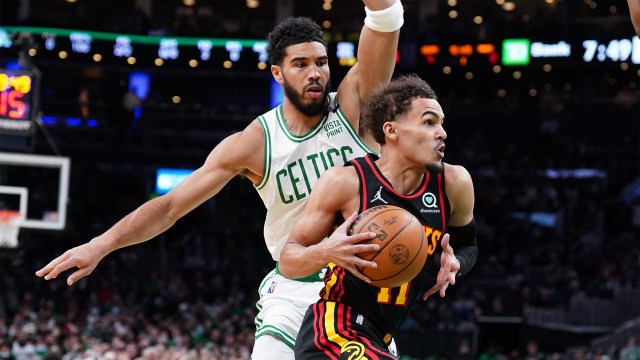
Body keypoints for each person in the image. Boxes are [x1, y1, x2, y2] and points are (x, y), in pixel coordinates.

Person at [34, 1, 404, 358]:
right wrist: (102, 244)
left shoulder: (355, 105)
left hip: (359, 291)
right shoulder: (255, 142)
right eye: (300, 64)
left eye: (321, 63)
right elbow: (170, 206)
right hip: (294, 289)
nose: (315, 73)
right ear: (277, 72)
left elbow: (386, 18)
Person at [278, 74, 479, 358]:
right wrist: (325, 252)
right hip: (334, 328)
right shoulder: (346, 182)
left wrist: (457, 261)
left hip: (379, 337)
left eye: (442, 123)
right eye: (429, 122)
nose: (442, 133)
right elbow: (288, 260)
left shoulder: (454, 183)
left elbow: (468, 245)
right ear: (391, 130)